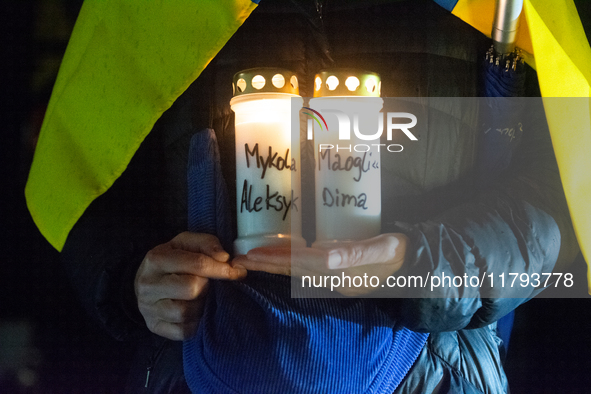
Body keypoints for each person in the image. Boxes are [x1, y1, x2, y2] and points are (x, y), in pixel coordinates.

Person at [59, 1, 579, 392]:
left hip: (430, 371)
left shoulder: (502, 10)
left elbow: (571, 191)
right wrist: (134, 279)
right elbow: (81, 181)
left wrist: (426, 265)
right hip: (197, 371)